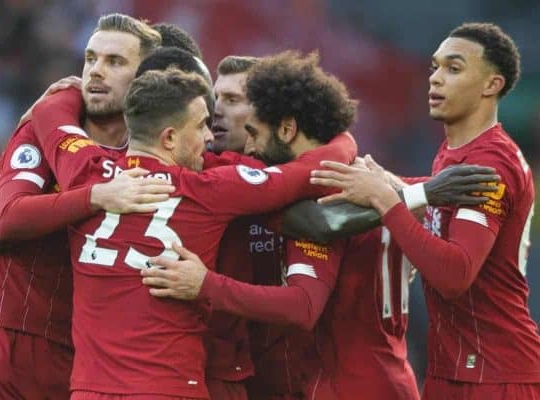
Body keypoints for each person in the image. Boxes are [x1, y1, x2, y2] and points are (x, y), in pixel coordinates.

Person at [139, 51, 502, 400]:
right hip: (389, 377)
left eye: (237, 104)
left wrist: (203, 284)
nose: (220, 113)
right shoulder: (376, 184)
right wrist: (411, 189)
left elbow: (305, 295)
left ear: (286, 127)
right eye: (216, 98)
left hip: (338, 385)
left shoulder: (320, 198)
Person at [21, 63, 356, 399]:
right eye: (200, 125)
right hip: (169, 390)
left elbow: (49, 115)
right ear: (169, 137)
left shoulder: (85, 172)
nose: (210, 136)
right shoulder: (209, 191)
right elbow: (312, 170)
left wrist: (73, 88)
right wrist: (343, 136)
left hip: (89, 391)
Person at [0, 13, 168, 400]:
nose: (96, 72)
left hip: (76, 351)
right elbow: (3, 213)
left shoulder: (153, 157)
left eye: (115, 62)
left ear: (146, 81)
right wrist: (96, 196)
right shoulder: (48, 128)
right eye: (91, 59)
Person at [310, 22, 540, 400]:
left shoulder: (490, 162)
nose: (435, 79)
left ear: (491, 85)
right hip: (455, 369)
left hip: (494, 375)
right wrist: (395, 181)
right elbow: (443, 201)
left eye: (453, 68)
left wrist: (387, 200)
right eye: (434, 67)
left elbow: (455, 274)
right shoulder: (456, 152)